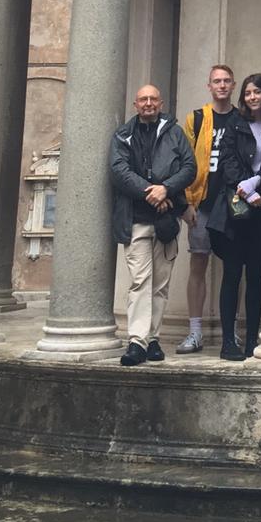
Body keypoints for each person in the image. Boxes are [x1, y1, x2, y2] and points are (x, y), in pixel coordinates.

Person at [109, 84, 197, 368]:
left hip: (165, 221)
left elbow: (189, 167)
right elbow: (119, 172)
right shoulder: (123, 134)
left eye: (153, 99)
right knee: (140, 282)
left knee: (160, 284)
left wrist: (167, 188)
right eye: (143, 99)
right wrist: (153, 191)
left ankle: (154, 339)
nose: (148, 103)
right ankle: (137, 341)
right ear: (135, 104)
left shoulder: (174, 132)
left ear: (161, 103)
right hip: (135, 220)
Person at [206, 73, 261, 362]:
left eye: (257, 92)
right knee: (231, 275)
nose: (252, 97)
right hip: (236, 209)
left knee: (256, 277)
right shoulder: (235, 123)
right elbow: (228, 162)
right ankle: (228, 341)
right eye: (248, 93)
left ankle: (253, 339)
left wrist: (258, 184)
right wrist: (245, 188)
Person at [176, 63, 238, 354]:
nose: (222, 85)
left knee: (233, 269)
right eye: (217, 81)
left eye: (226, 80)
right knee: (198, 265)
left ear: (233, 85)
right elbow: (185, 162)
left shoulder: (241, 118)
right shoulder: (198, 118)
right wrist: (186, 202)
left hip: (230, 207)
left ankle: (231, 333)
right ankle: (195, 332)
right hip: (201, 203)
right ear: (209, 86)